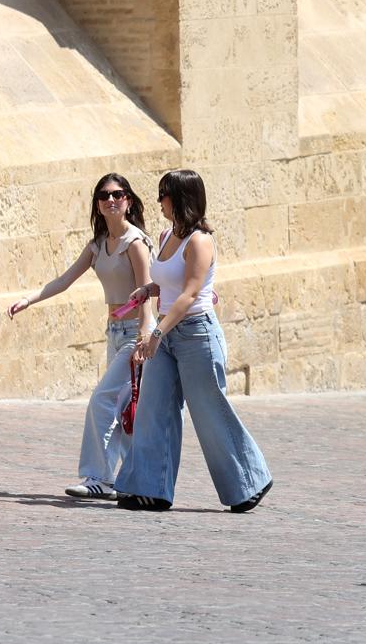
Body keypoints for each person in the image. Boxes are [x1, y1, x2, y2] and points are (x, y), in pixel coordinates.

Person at [113, 169, 272, 512]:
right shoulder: (167, 234)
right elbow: (169, 283)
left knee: (208, 411)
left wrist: (156, 332)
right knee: (153, 410)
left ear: (181, 198)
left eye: (163, 195)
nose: (159, 202)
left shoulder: (200, 241)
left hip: (195, 333)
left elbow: (189, 294)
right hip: (169, 334)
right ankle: (149, 489)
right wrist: (149, 290)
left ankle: (249, 482)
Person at [7, 173, 155, 500]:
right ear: (98, 205)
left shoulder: (136, 242)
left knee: (103, 400)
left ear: (128, 200)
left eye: (117, 194)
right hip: (115, 333)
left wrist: (146, 332)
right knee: (126, 408)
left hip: (136, 334)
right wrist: (29, 300)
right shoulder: (98, 245)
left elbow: (147, 291)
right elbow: (64, 280)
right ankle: (130, 480)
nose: (111, 200)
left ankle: (98, 478)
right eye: (104, 196)